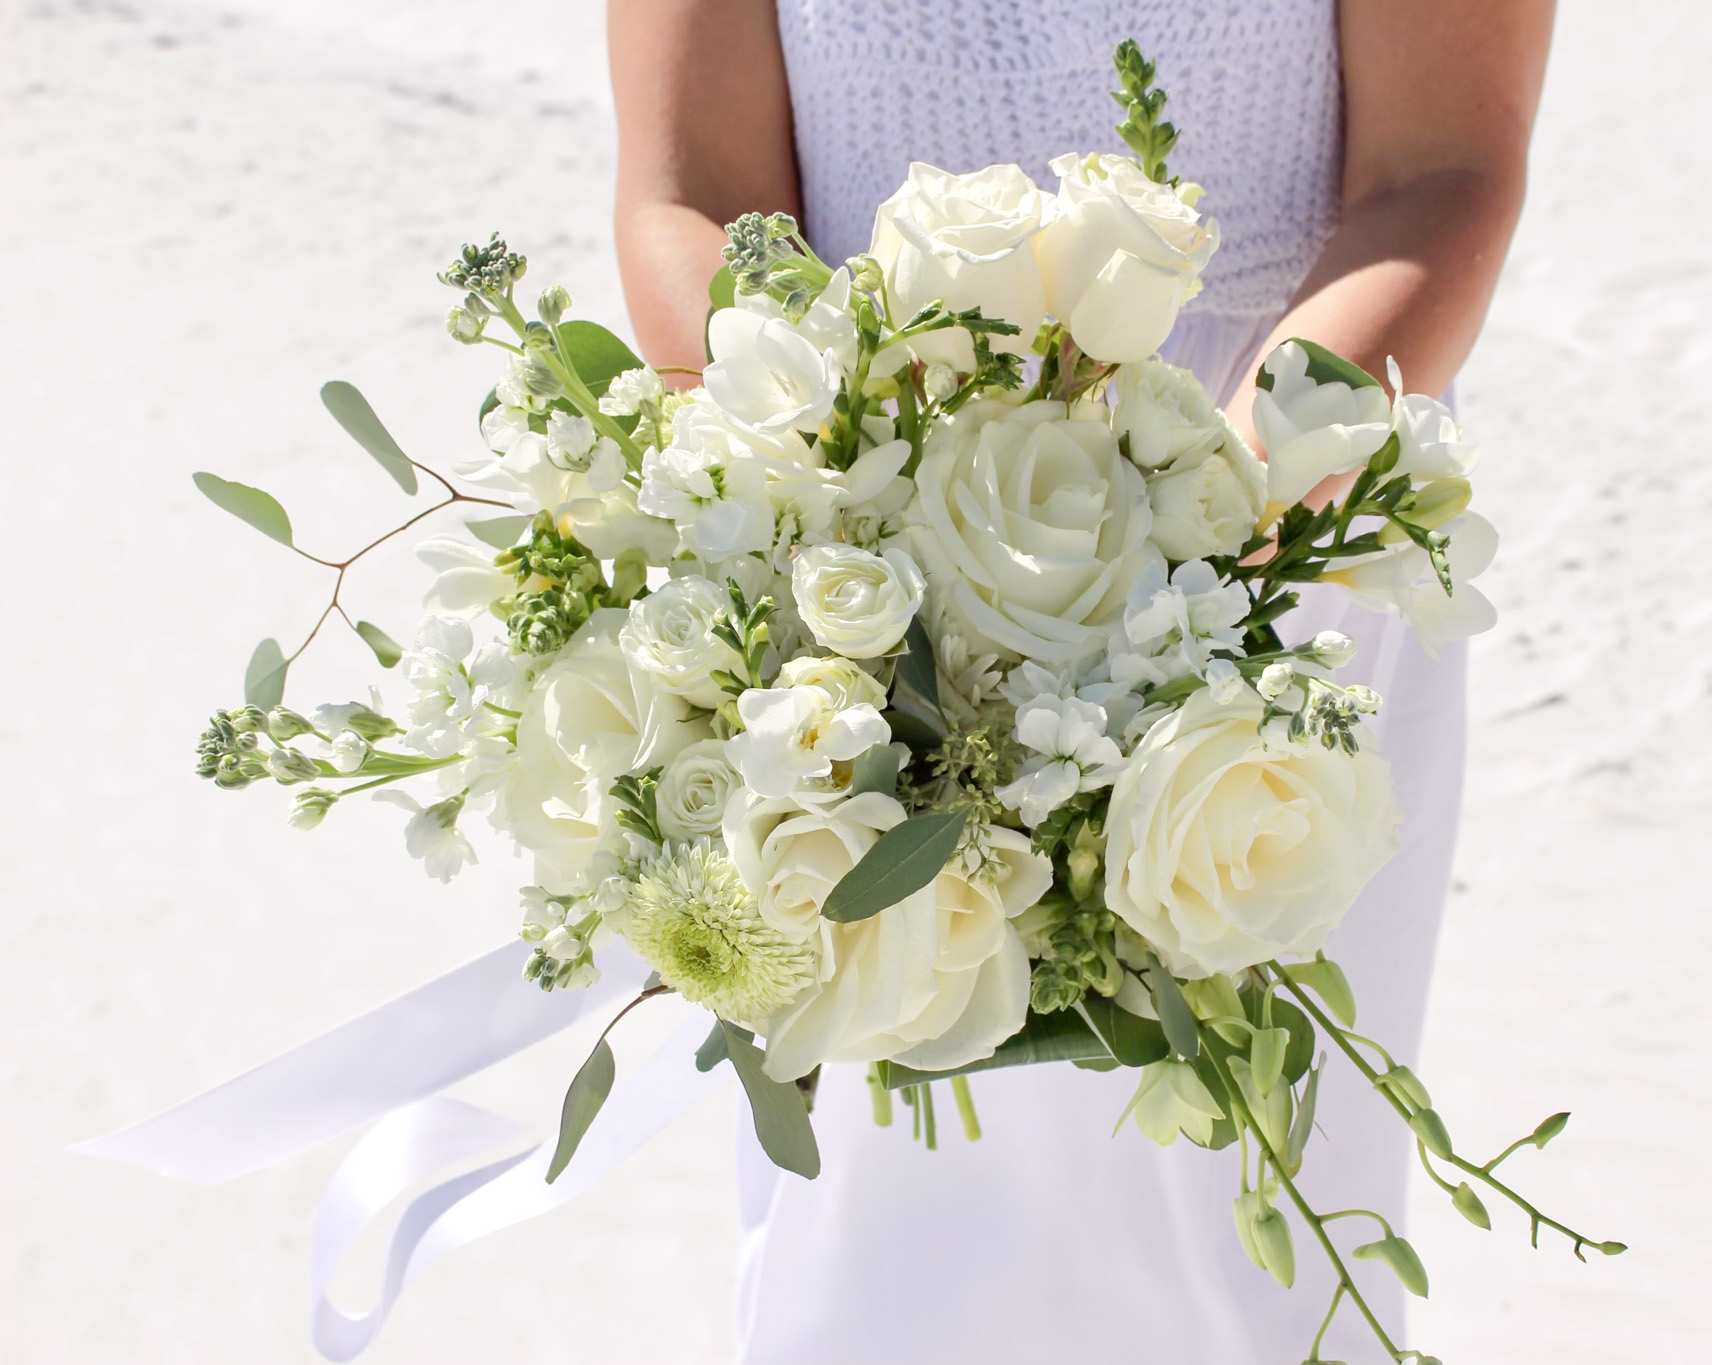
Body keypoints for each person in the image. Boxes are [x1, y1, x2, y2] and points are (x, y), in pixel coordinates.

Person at [607, 3, 1553, 1359]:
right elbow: (692, 198)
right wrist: (840, 489)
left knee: (1230, 1187)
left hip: (1276, 523)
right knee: (876, 1189)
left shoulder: (1246, 525)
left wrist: (1207, 532)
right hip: (864, 558)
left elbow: (1440, 170)